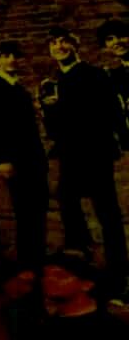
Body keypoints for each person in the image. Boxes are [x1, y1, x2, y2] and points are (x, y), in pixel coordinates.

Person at [40, 27, 128, 296]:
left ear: (74, 45)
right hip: (70, 155)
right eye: (54, 43)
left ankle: (119, 271)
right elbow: (52, 128)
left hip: (95, 153)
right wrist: (51, 107)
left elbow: (112, 112)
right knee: (67, 201)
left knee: (107, 212)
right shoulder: (51, 83)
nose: (59, 47)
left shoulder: (95, 74)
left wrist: (122, 141)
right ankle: (82, 257)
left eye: (64, 42)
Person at [0, 42, 49, 271]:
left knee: (38, 209)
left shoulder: (20, 89)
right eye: (5, 56)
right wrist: (1, 159)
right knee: (24, 211)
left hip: (34, 158)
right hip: (13, 160)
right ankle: (28, 263)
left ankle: (38, 258)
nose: (11, 59)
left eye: (14, 56)